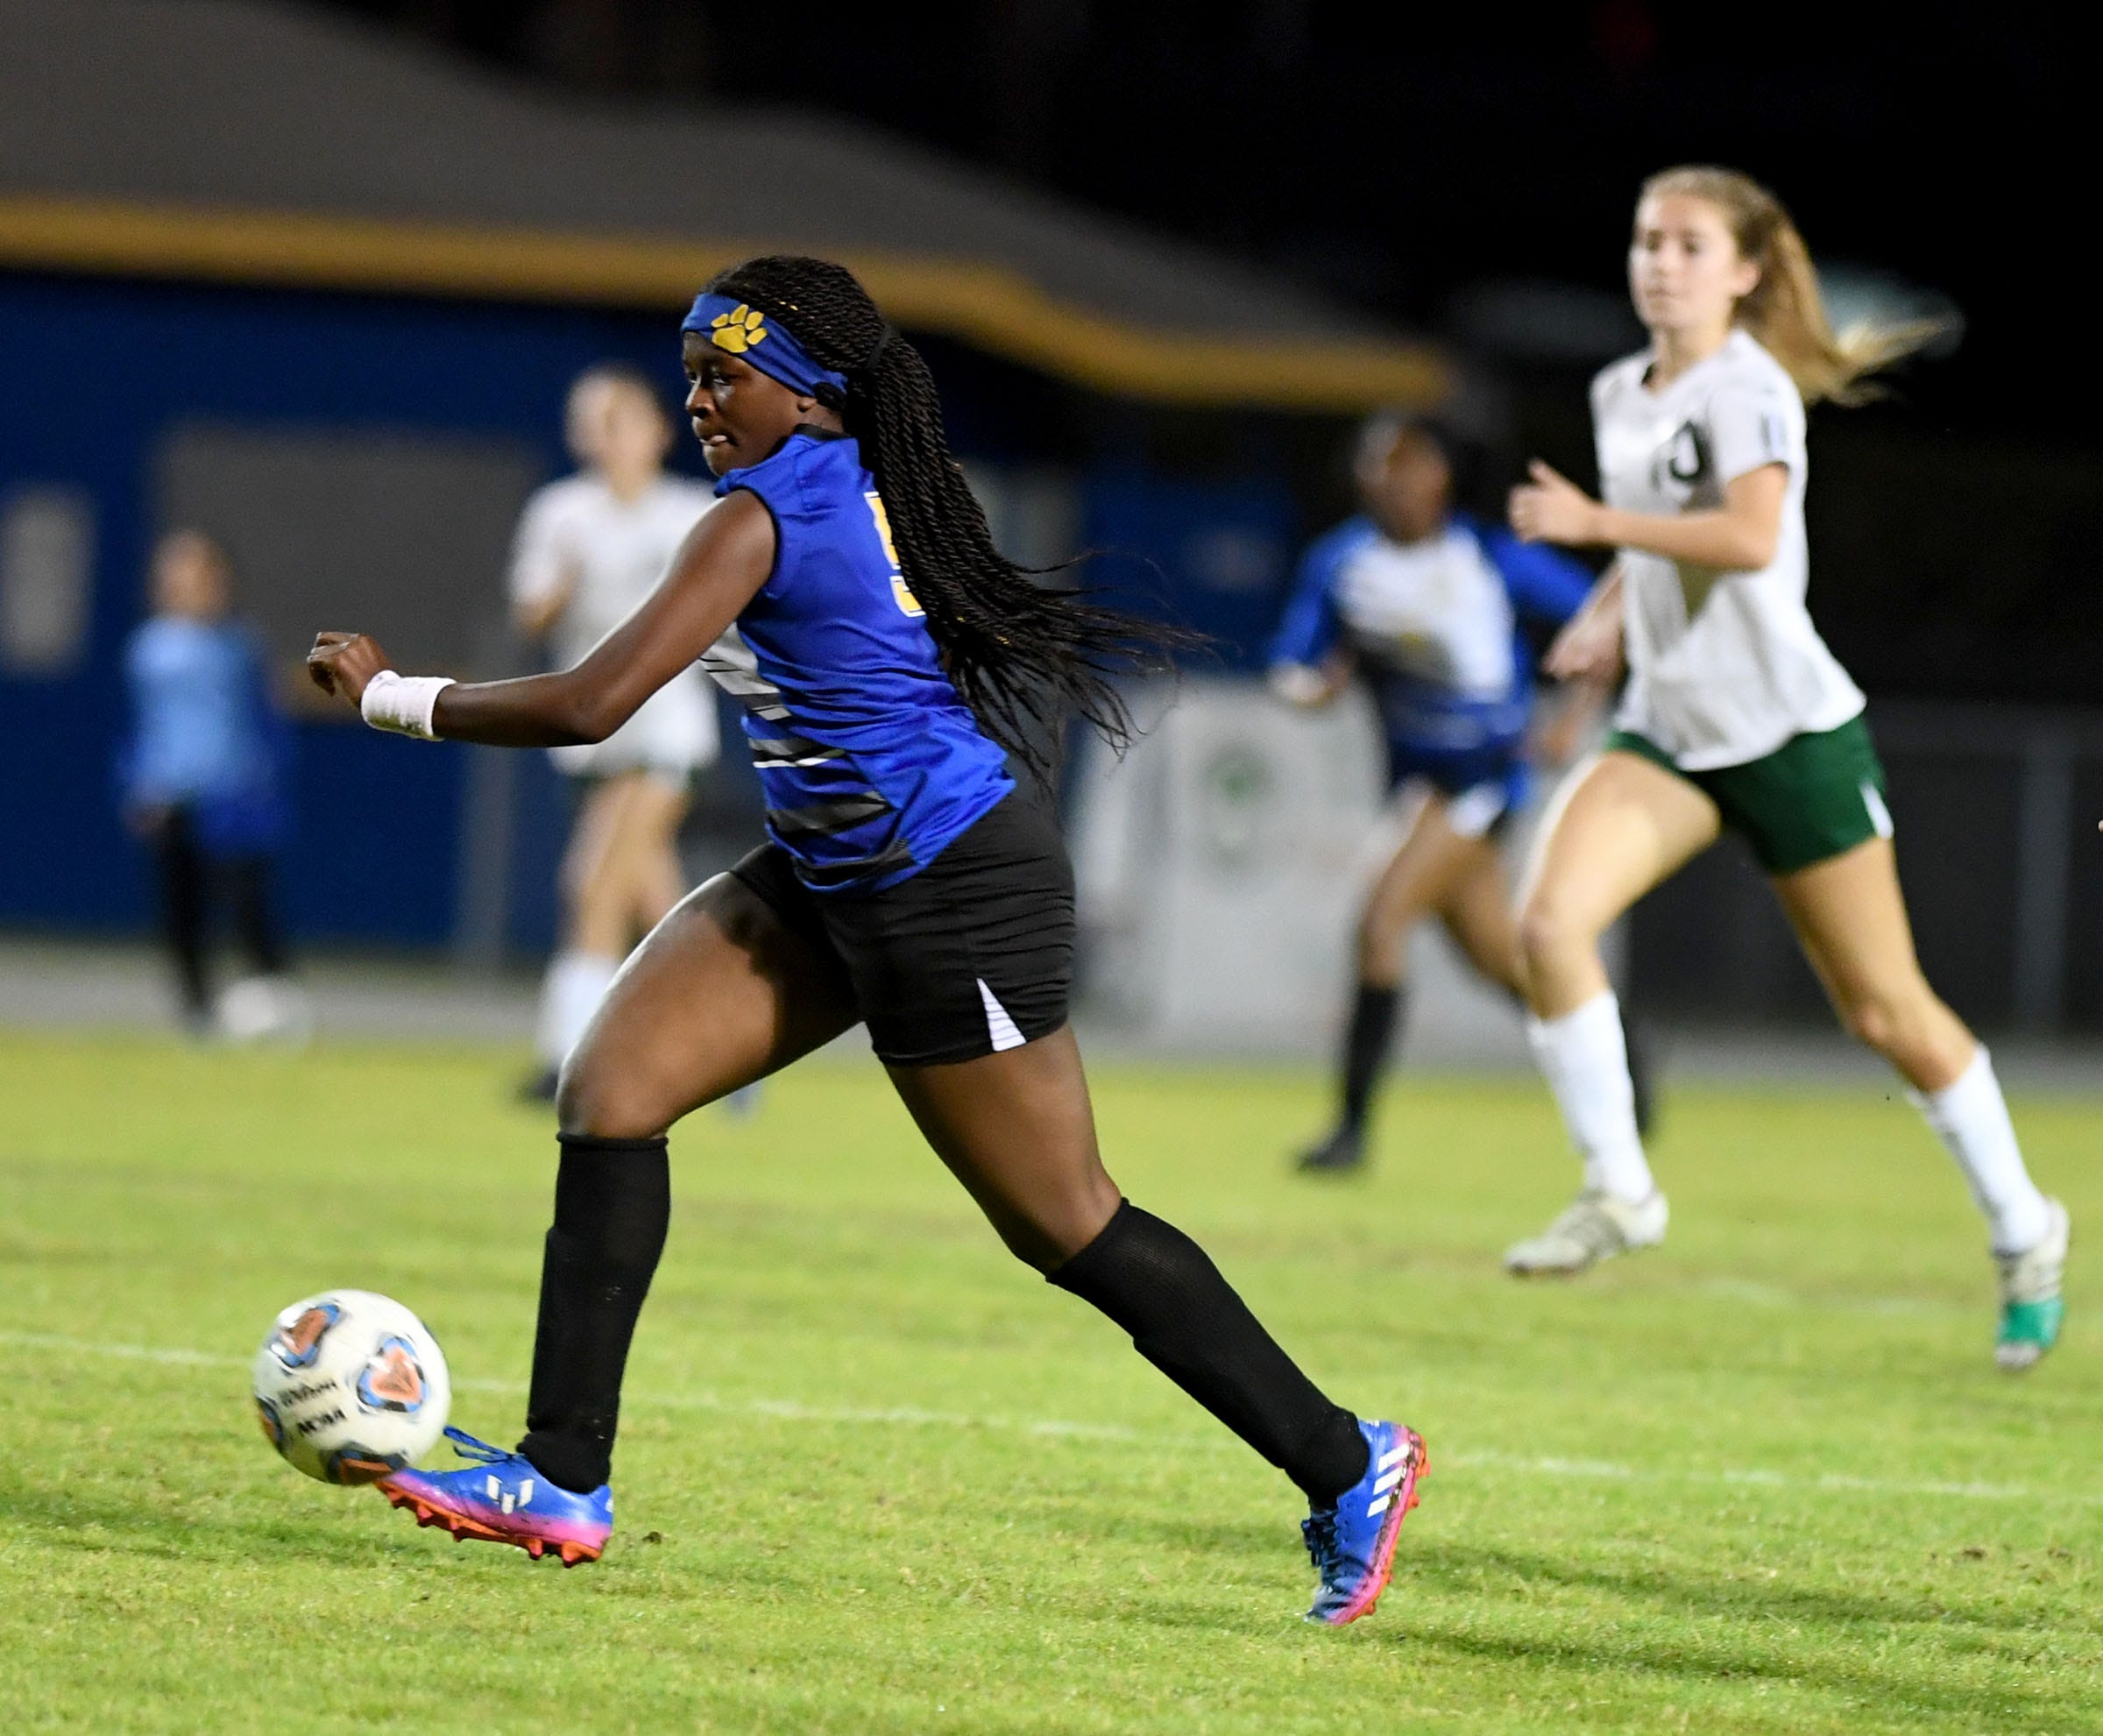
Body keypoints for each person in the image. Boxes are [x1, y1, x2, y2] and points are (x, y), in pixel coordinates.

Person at [308, 256, 1427, 1623]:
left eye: (725, 374)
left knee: (1068, 1222)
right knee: (613, 1092)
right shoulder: (850, 479)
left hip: (946, 886)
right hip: (838, 868)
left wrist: (392, 695)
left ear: (807, 389)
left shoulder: (758, 516)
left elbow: (594, 703)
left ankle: (1349, 1460)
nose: (700, 399)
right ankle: (561, 1475)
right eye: (691, 375)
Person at [1503, 165, 2068, 1370]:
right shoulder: (1619, 389)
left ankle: (2027, 1229)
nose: (1660, 264)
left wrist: (1598, 529)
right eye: (1648, 241)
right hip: (1671, 733)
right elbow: (1662, 540)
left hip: (1789, 737)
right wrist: (1608, 609)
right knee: (1547, 924)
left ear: (1746, 272)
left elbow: (1749, 536)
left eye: (1689, 246)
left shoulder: (1751, 388)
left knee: (1886, 1012)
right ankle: (1620, 1189)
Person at [1268, 411, 1643, 1173]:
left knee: (1381, 921)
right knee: (1503, 961)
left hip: (1482, 781)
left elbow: (1606, 613)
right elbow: (1292, 667)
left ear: (1441, 475)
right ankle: (1625, 1048)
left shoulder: (1488, 557)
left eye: (1411, 466)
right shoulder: (1342, 563)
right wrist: (1316, 689)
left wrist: (1572, 718)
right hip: (1417, 787)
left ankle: (1350, 1131)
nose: (1396, 484)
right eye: (1381, 468)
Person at [510, 365, 725, 1102]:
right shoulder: (562, 512)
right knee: (659, 903)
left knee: (593, 883)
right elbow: (530, 614)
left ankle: (568, 1057)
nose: (607, 435)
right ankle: (724, 1045)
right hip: (595, 733)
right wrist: (565, 583)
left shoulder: (689, 513)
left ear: (659, 430)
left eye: (621, 419)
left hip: (665, 727)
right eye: (594, 421)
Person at [119, 528, 304, 1042]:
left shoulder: (240, 646)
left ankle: (278, 1002)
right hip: (170, 796)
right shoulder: (148, 648)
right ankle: (197, 1011)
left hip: (232, 796)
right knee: (181, 908)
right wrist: (138, 784)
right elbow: (142, 725)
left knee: (248, 904)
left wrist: (265, 785)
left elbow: (267, 720)